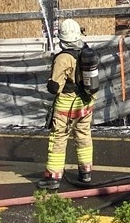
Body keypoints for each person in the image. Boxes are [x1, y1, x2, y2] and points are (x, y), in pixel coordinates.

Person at [38, 19, 95, 190]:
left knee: (58, 138)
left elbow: (54, 88)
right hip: (86, 102)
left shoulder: (63, 58)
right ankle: (86, 172)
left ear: (62, 38)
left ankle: (53, 178)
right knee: (83, 135)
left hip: (66, 105)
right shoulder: (86, 52)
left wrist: (50, 81)